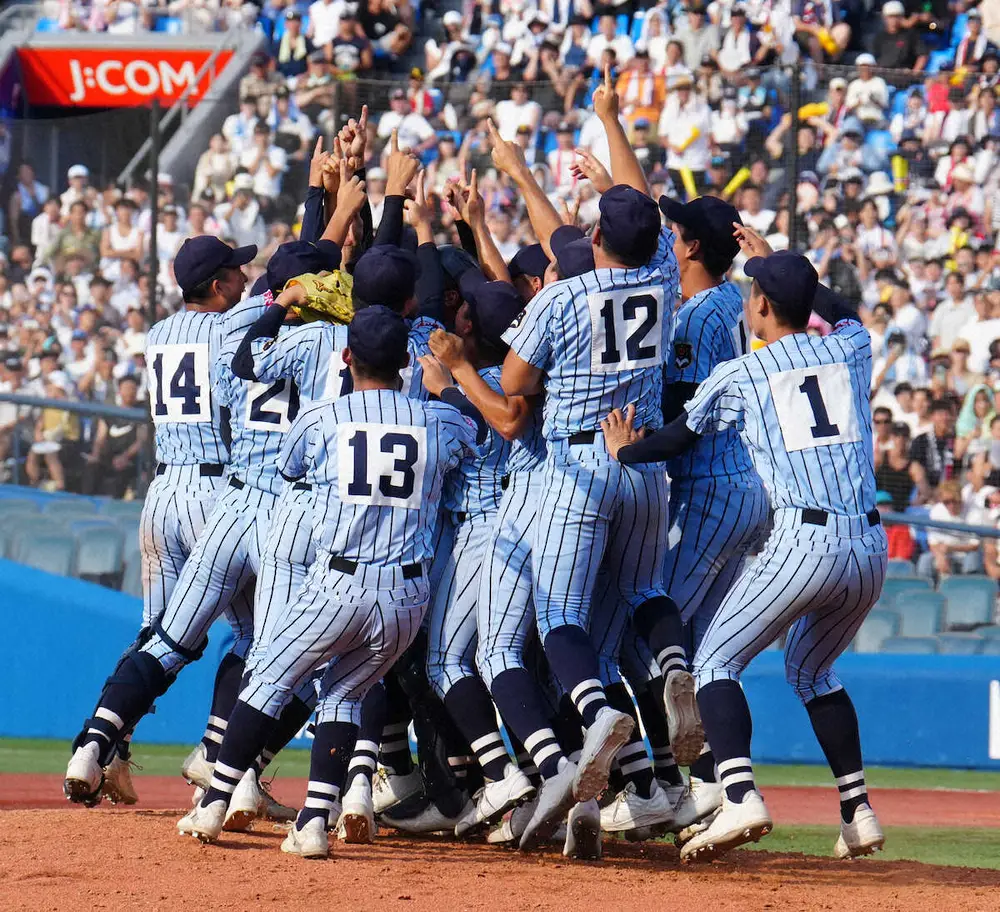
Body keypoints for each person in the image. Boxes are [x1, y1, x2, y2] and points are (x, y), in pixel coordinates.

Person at [602, 240, 887, 863]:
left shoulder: (742, 372)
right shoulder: (849, 348)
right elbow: (841, 314)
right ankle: (857, 811)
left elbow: (677, 438)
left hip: (805, 540)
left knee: (713, 663)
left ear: (758, 306)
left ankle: (738, 794)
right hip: (870, 546)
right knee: (813, 673)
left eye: (754, 291)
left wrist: (625, 451)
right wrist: (799, 278)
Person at [175, 305, 477, 860]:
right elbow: (471, 426)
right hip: (407, 598)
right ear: (408, 360)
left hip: (340, 582)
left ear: (346, 358)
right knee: (345, 694)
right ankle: (314, 821)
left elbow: (292, 473)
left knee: (267, 678)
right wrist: (448, 386)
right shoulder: (439, 421)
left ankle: (214, 802)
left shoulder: (321, 421)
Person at [495, 71, 694, 848]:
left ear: (597, 239)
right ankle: (672, 664)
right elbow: (639, 201)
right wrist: (613, 123)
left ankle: (595, 710)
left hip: (577, 466)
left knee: (562, 620)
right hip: (645, 462)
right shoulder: (663, 275)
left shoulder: (559, 298)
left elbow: (514, 391)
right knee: (643, 590)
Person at [62, 235, 266, 809]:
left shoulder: (159, 334)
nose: (244, 278)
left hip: (163, 492)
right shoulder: (229, 330)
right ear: (219, 283)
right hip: (215, 489)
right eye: (236, 270)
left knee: (158, 639)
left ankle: (101, 749)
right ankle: (227, 764)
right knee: (250, 636)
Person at [80, 375, 147, 498]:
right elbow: (100, 437)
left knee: (122, 473)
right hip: (109, 454)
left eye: (132, 388)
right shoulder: (110, 413)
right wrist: (96, 453)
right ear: (119, 391)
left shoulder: (141, 413)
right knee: (91, 467)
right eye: (126, 388)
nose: (129, 392)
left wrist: (125, 456)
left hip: (129, 458)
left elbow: (141, 440)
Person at [918, 479, 982, 578]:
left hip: (966, 553)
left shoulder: (974, 512)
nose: (951, 505)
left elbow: (975, 545)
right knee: (925, 560)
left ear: (960, 498)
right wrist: (940, 556)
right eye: (946, 502)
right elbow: (933, 542)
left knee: (972, 560)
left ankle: (969, 589)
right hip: (944, 553)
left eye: (954, 501)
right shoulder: (937, 511)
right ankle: (927, 592)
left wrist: (951, 548)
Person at [875, 421, 929, 511]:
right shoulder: (880, 457)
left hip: (899, 512)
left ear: (909, 438)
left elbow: (925, 493)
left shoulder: (914, 467)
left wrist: (911, 505)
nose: (900, 439)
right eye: (897, 435)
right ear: (891, 437)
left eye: (904, 436)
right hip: (878, 508)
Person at [910, 399, 956, 488]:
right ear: (931, 417)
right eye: (940, 414)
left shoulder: (955, 440)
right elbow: (915, 467)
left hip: (949, 489)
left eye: (947, 414)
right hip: (925, 489)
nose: (944, 418)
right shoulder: (920, 440)